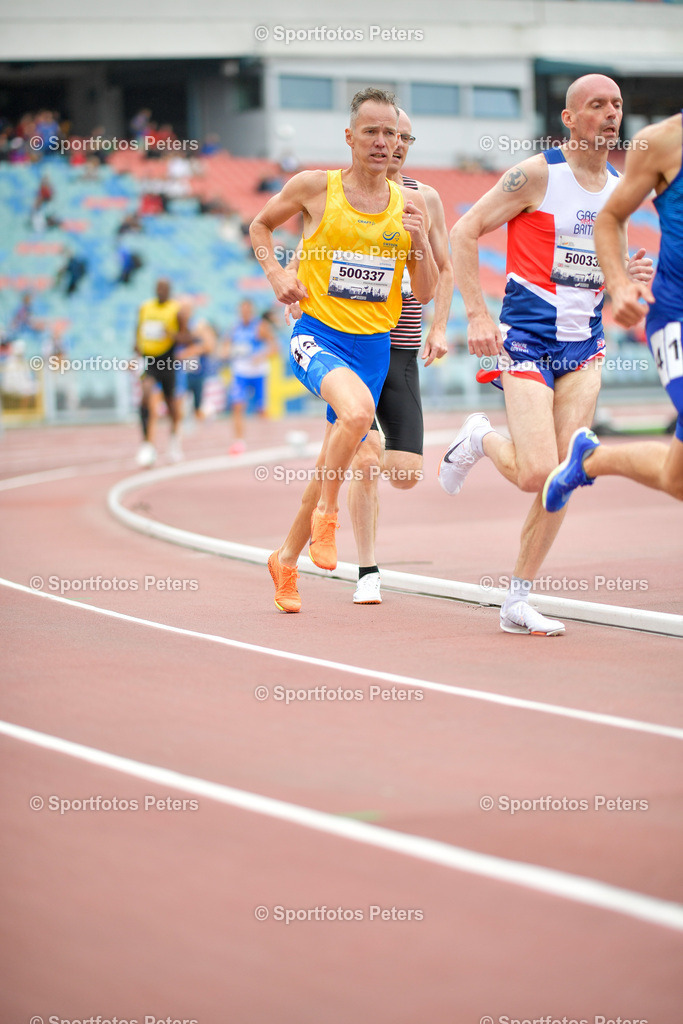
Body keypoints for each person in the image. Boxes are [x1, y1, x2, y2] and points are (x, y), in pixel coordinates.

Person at [438, 74, 654, 636]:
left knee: (566, 472)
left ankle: (517, 599)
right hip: (527, 340)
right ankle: (479, 437)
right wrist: (477, 315)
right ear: (568, 118)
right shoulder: (536, 174)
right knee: (535, 473)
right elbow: (463, 231)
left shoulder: (622, 189)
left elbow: (604, 270)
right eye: (597, 105)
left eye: (617, 105)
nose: (611, 114)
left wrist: (627, 277)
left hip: (584, 346)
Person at [250, 87, 438, 612]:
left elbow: (424, 291)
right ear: (350, 137)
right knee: (356, 417)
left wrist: (420, 242)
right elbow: (260, 225)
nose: (382, 142)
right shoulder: (315, 187)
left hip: (374, 348)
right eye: (371, 131)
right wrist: (277, 272)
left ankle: (286, 559)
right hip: (319, 337)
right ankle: (327, 517)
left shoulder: (411, 207)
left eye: (391, 134)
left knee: (332, 459)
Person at [543, 109, 683, 510]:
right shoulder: (661, 141)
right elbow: (610, 218)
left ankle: (589, 460)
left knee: (677, 480)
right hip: (676, 316)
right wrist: (619, 285)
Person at [346, 109, 452, 603]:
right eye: (389, 133)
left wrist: (440, 326)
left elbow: (444, 270)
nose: (397, 143)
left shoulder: (423, 198)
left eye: (406, 136)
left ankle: (338, 460)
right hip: (350, 344)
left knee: (405, 474)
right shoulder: (342, 192)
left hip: (402, 349)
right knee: (367, 456)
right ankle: (367, 569)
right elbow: (315, 242)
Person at [133, 278, 189, 467]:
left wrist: (171, 334)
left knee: (170, 403)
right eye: (158, 288)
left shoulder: (176, 310)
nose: (161, 291)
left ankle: (174, 440)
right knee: (145, 395)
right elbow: (138, 330)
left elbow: (186, 337)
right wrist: (136, 349)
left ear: (170, 291)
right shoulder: (145, 308)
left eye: (164, 289)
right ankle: (146, 445)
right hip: (150, 360)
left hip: (167, 361)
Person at [223, 300, 278, 454]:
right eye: (243, 310)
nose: (245, 313)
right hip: (240, 372)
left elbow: (274, 347)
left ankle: (269, 442)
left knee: (262, 409)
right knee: (237, 405)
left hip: (258, 372)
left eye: (248, 310)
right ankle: (238, 441)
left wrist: (261, 355)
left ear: (252, 311)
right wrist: (226, 352)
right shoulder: (235, 327)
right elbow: (225, 346)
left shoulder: (260, 326)